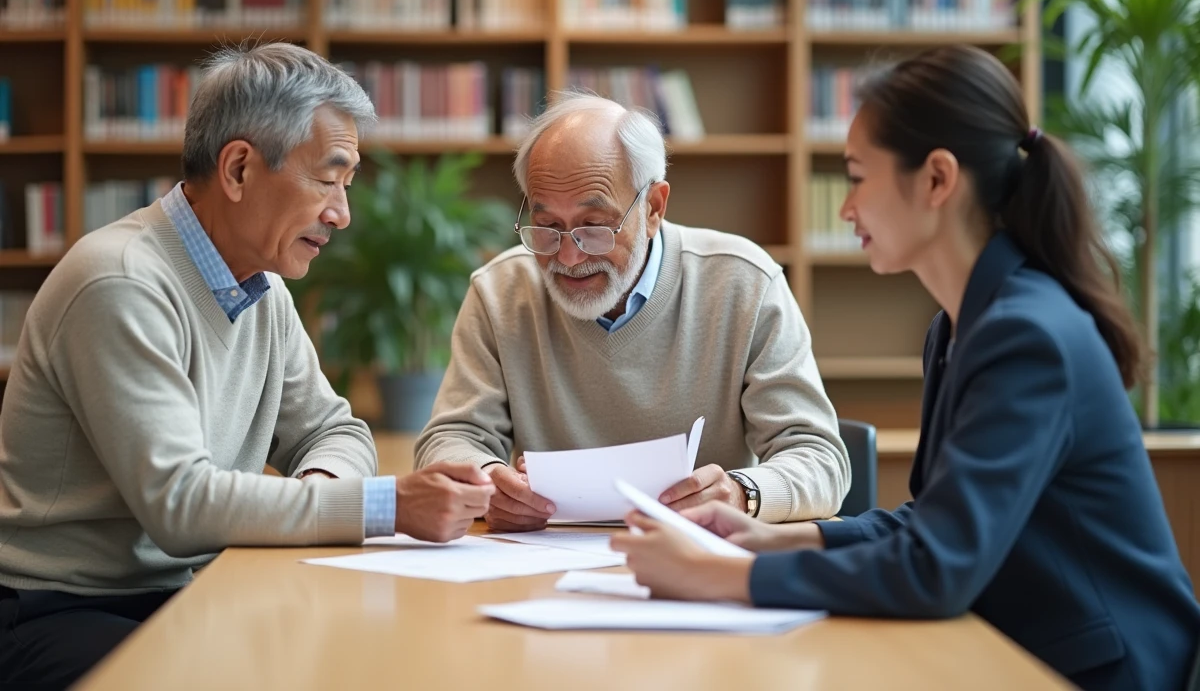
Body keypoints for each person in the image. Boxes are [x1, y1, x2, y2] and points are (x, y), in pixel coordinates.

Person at [611, 45, 1200, 691]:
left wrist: (715, 576)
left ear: (937, 179)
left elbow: (936, 568)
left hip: (1100, 671)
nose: (845, 208)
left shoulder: (1024, 335)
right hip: (1019, 649)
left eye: (858, 177)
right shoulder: (959, 325)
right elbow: (931, 523)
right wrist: (765, 540)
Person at [0, 42, 494, 690]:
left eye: (347, 185)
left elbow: (335, 433)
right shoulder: (119, 282)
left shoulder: (260, 289)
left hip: (195, 584)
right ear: (238, 169)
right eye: (328, 178)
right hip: (67, 607)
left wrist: (324, 492)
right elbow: (180, 504)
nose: (342, 214)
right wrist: (381, 506)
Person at [414, 89, 850, 532]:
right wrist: (490, 483)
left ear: (654, 207)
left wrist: (741, 493)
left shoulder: (744, 284)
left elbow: (820, 459)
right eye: (547, 228)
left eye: (594, 228)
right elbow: (450, 439)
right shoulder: (500, 293)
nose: (568, 256)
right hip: (545, 564)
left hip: (698, 564)